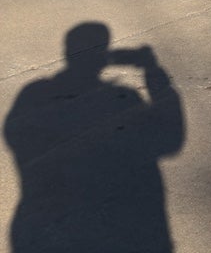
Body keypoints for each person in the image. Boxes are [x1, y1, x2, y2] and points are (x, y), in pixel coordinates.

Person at [4, 22, 184, 252]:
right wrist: (152, 70)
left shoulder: (33, 93)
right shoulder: (125, 97)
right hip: (127, 224)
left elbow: (14, 134)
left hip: (39, 226)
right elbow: (170, 141)